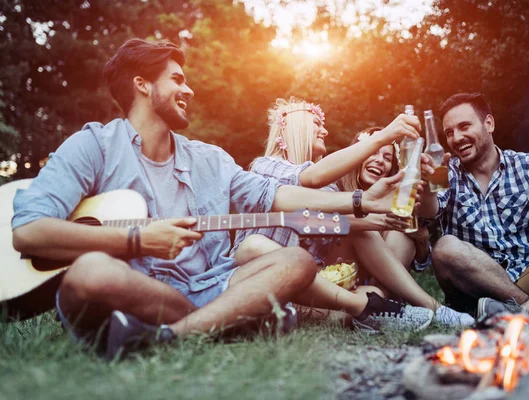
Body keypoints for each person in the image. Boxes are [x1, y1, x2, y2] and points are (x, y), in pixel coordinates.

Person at [11, 39, 412, 360]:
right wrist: (137, 241)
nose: (189, 89)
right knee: (89, 272)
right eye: (177, 79)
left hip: (209, 286)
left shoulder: (209, 158)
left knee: (297, 261)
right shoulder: (93, 145)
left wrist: (360, 202)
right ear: (142, 84)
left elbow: (276, 195)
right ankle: (236, 319)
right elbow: (29, 232)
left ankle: (168, 336)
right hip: (134, 287)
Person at [233, 98, 474, 327]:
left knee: (363, 242)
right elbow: (311, 179)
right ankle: (359, 312)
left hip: (312, 277)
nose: (324, 131)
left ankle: (428, 309)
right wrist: (384, 136)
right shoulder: (265, 166)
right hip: (266, 271)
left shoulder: (329, 186)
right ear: (294, 129)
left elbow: (334, 222)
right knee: (355, 237)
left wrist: (391, 216)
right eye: (317, 124)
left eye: (387, 157)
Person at [419, 92, 529, 318]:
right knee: (445, 247)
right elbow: (428, 214)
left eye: (464, 126)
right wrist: (427, 188)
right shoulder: (445, 171)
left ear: (489, 123)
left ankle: (527, 310)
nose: (456, 138)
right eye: (449, 132)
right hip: (473, 288)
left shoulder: (526, 165)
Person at [338, 127, 432, 273]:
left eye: (387, 158)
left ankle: (380, 294)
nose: (380, 160)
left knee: (401, 235)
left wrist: (423, 239)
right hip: (340, 271)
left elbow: (419, 265)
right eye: (373, 152)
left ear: (390, 169)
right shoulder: (336, 187)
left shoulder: (396, 199)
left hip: (381, 277)